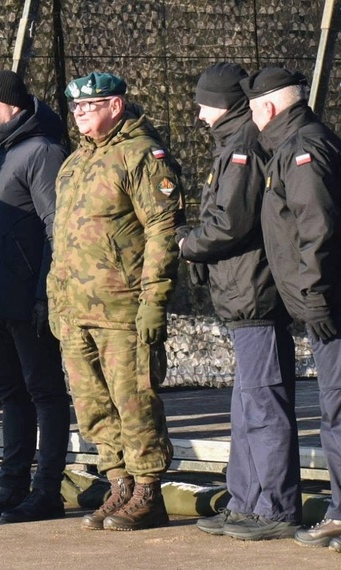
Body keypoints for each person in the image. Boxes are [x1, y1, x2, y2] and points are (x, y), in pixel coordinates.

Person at [48, 72, 183, 531]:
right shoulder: (76, 162)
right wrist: (56, 299)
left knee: (134, 400)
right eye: (76, 108)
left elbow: (163, 232)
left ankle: (148, 491)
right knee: (93, 405)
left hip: (122, 308)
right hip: (76, 310)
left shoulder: (142, 155)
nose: (81, 113)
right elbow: (63, 239)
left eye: (91, 105)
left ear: (116, 106)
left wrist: (153, 300)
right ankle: (119, 483)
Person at [178, 63, 301, 541]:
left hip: (254, 294)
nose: (198, 113)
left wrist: (189, 243)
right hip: (239, 293)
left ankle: (274, 506)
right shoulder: (233, 144)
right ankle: (246, 501)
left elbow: (231, 220)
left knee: (264, 404)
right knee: (248, 406)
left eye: (205, 103)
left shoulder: (243, 146)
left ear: (225, 103)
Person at [0, 70, 71, 522]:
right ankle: (12, 484)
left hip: (27, 298)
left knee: (44, 390)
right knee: (9, 393)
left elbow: (55, 225)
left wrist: (46, 291)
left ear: (14, 106)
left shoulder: (42, 151)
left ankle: (47, 489)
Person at [239, 67, 341, 550]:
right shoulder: (293, 144)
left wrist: (316, 295)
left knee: (338, 410)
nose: (251, 117)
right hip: (323, 303)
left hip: (331, 305)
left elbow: (316, 226)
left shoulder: (304, 149)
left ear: (270, 107)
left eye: (254, 108)